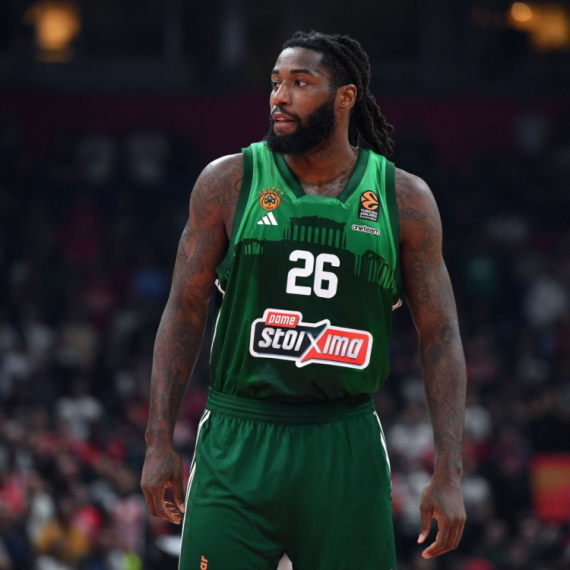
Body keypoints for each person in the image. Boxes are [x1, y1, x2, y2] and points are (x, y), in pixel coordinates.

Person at [141, 31, 467, 570]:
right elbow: (183, 309)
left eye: (300, 83)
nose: (280, 97)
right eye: (275, 83)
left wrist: (450, 472)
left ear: (345, 97)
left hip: (344, 440)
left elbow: (441, 335)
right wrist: (157, 443)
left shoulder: (403, 199)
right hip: (238, 437)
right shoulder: (229, 181)